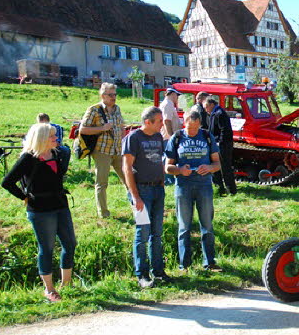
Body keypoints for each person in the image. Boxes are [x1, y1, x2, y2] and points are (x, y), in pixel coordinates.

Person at [1, 123, 76, 302]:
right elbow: (7, 182)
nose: (56, 138)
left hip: (60, 204)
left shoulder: (56, 154)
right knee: (47, 248)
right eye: (51, 136)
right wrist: (24, 197)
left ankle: (67, 285)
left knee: (70, 243)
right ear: (41, 138)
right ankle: (49, 290)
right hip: (41, 209)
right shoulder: (28, 158)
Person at [165, 110, 223, 272]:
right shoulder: (176, 138)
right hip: (183, 186)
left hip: (204, 186)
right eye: (190, 128)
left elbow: (218, 164)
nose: (192, 131)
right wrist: (180, 169)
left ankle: (210, 262)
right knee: (184, 227)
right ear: (184, 123)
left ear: (200, 125)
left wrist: (210, 168)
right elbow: (167, 167)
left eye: (196, 128)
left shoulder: (206, 136)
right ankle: (185, 265)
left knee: (207, 225)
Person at [122, 106, 171, 288]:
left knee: (156, 234)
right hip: (141, 191)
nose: (162, 124)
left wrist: (162, 182)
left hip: (158, 190)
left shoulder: (158, 137)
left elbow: (159, 161)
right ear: (147, 122)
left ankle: (158, 271)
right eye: (159, 121)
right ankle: (142, 275)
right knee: (142, 234)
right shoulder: (133, 138)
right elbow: (126, 168)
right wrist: (136, 197)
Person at [80, 82, 127, 218]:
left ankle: (137, 207)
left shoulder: (117, 108)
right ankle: (103, 213)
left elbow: (121, 126)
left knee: (128, 179)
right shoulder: (94, 110)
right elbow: (82, 129)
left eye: (115, 94)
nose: (113, 97)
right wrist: (102, 128)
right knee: (102, 183)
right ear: (102, 95)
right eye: (110, 95)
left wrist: (123, 142)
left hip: (118, 150)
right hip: (102, 151)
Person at [204, 97, 237, 196]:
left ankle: (230, 190)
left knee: (225, 167)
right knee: (217, 167)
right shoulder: (215, 113)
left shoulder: (220, 113)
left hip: (222, 145)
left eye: (206, 107)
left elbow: (224, 130)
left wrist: (220, 143)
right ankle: (219, 188)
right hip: (218, 143)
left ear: (211, 104)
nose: (206, 110)